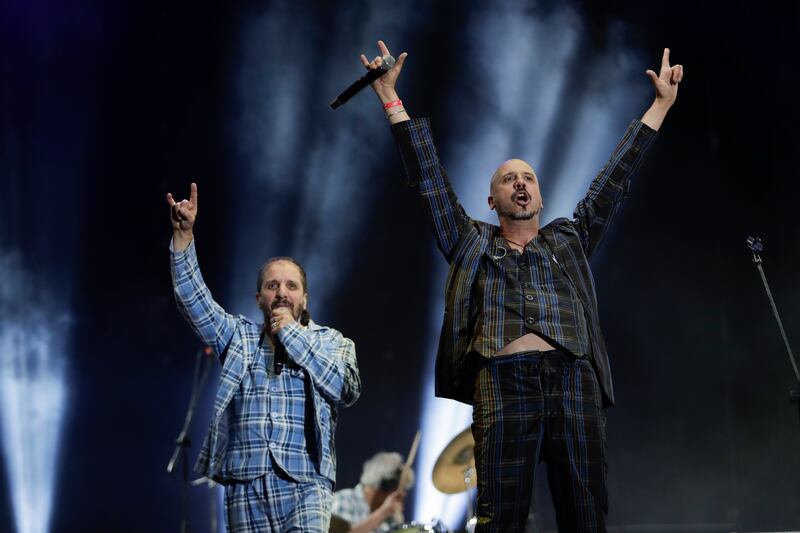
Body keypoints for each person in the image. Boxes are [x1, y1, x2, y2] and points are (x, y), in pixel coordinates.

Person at [359, 41, 682, 532]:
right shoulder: (470, 241)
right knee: (500, 517)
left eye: (527, 177)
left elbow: (615, 182)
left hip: (573, 376)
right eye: (509, 180)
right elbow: (427, 180)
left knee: (585, 513)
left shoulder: (568, 238)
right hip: (502, 383)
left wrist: (658, 106)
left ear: (540, 193)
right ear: (492, 199)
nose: (520, 184)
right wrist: (390, 98)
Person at [165, 183, 361, 532]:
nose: (281, 293)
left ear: (304, 298)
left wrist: (291, 332)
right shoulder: (238, 337)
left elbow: (344, 389)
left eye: (291, 286)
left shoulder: (333, 341)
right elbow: (193, 302)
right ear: (259, 298)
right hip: (244, 482)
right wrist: (184, 238)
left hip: (306, 483)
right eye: (272, 286)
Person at [331, 452, 414, 533]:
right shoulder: (344, 500)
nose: (402, 496)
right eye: (397, 491)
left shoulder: (390, 518)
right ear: (385, 485)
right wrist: (383, 512)